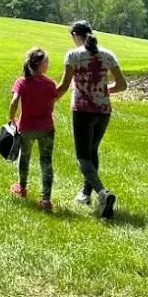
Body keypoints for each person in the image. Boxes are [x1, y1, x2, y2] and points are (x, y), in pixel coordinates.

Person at [55, 21, 128, 219]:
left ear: (75, 35)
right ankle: (85, 194)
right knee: (93, 150)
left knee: (82, 157)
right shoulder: (108, 54)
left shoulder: (73, 55)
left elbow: (63, 86)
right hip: (103, 110)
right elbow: (122, 85)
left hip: (82, 111)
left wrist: (47, 101)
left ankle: (103, 194)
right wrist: (103, 90)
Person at [8, 48, 58, 211]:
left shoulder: (22, 82)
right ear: (42, 65)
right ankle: (46, 199)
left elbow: (14, 102)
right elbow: (51, 105)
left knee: (24, 157)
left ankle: (22, 188)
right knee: (46, 161)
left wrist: (11, 119)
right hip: (47, 128)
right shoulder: (50, 84)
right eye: (47, 62)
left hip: (27, 128)